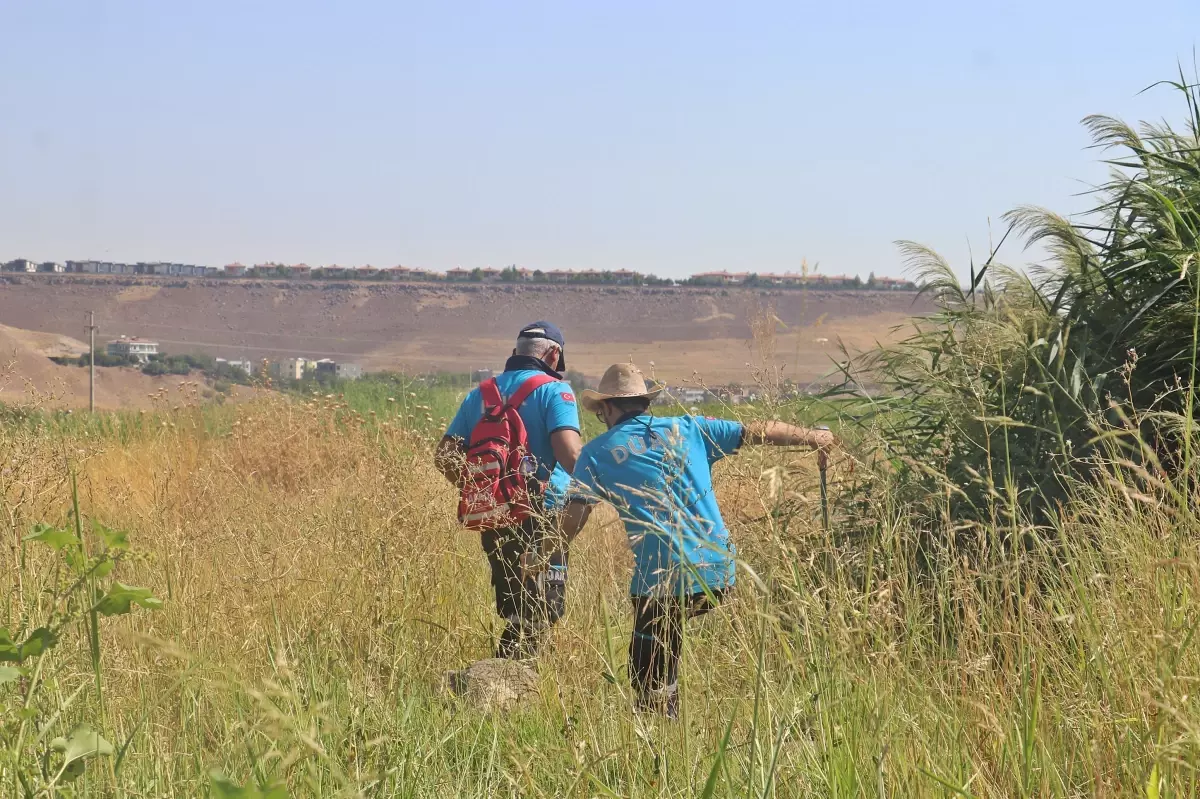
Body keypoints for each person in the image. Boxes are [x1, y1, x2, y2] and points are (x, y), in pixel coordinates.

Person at [555, 362, 835, 718]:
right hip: (719, 572)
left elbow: (573, 517)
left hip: (660, 579)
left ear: (607, 408)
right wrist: (814, 437)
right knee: (666, 633)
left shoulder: (596, 453)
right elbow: (761, 431)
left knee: (647, 664)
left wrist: (549, 552)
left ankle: (660, 730)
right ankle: (667, 709)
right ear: (644, 403)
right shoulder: (689, 427)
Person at [435, 322, 583, 660]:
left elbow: (444, 457)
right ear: (554, 354)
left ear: (516, 353)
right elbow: (569, 453)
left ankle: (505, 680)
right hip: (544, 514)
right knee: (544, 607)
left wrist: (485, 489)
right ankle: (507, 683)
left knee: (516, 605)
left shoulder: (481, 394)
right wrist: (603, 484)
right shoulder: (555, 392)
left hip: (496, 515)